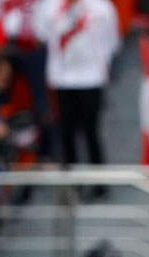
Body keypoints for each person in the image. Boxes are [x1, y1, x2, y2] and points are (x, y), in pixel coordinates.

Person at [36, 0, 120, 199]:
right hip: (62, 79)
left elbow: (113, 40)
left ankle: (99, 182)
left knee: (91, 131)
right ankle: (71, 183)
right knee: (66, 132)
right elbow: (41, 34)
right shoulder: (49, 6)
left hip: (92, 78)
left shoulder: (101, 7)